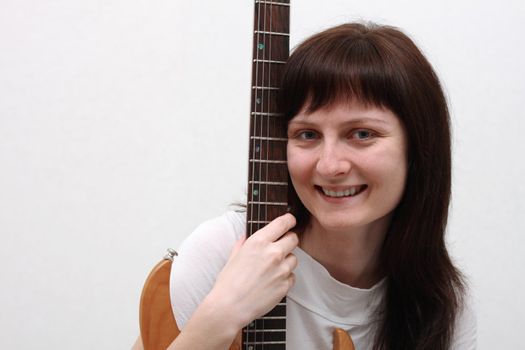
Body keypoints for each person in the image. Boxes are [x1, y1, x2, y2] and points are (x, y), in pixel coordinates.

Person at [163, 22, 476, 349]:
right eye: (307, 135)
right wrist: (220, 314)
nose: (329, 165)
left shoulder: (441, 305)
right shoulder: (222, 253)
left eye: (362, 134)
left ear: (417, 148)